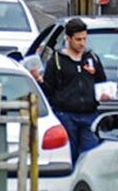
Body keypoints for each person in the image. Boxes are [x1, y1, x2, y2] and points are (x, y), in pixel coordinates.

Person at [29, 18, 111, 165]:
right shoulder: (57, 60)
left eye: (84, 39)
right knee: (69, 155)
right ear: (68, 39)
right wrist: (39, 81)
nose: (82, 43)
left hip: (89, 114)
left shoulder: (92, 58)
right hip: (66, 115)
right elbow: (49, 89)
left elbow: (101, 81)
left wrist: (103, 94)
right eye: (78, 39)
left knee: (89, 156)